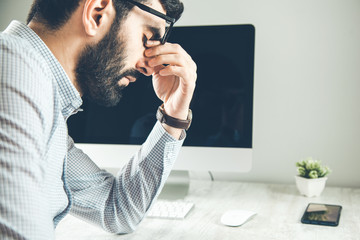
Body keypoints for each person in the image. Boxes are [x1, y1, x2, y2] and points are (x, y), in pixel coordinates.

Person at [0, 0, 197, 238]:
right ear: (96, 13)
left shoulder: (40, 98)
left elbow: (117, 211)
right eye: (147, 37)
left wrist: (173, 114)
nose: (148, 66)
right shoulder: (12, 67)